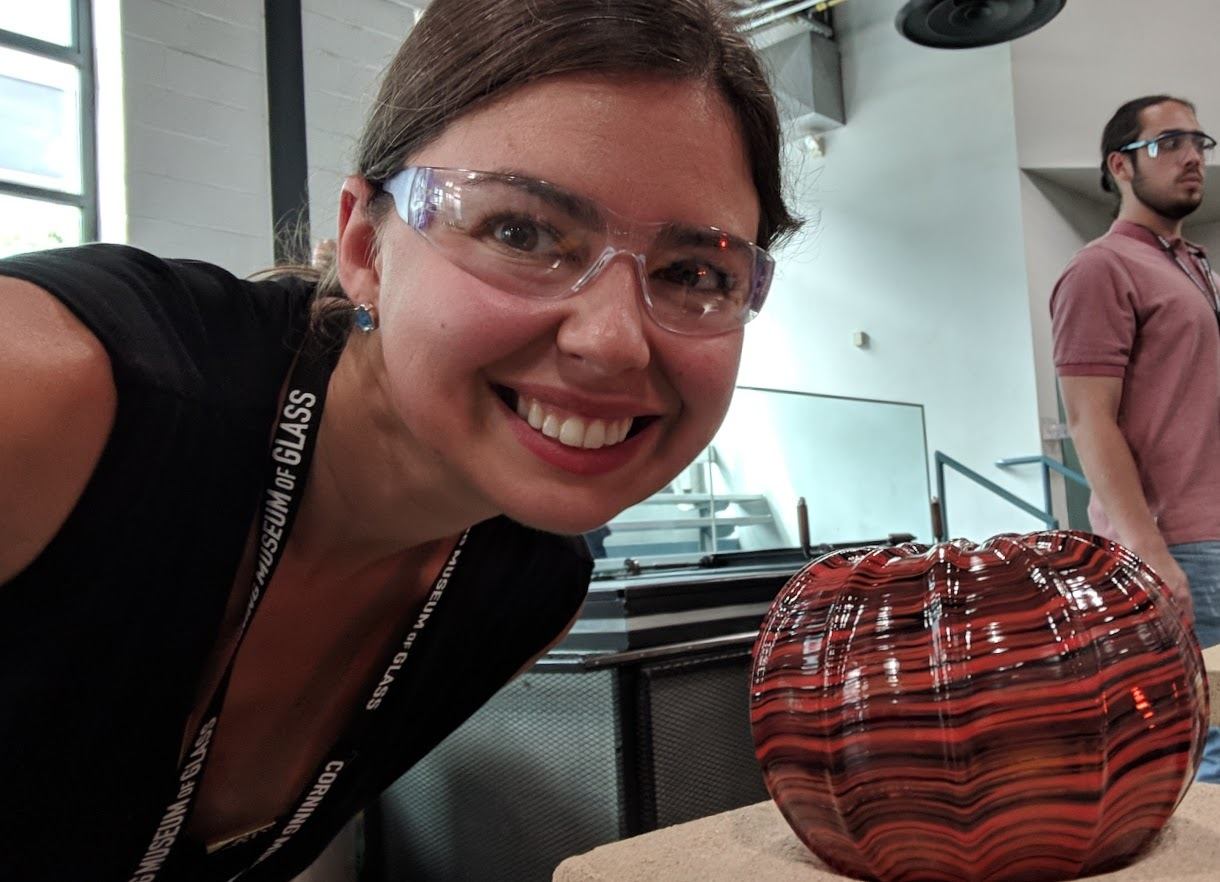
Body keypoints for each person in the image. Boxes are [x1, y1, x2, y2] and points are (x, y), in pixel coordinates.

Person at [0, 1, 799, 879]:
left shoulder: (527, 588)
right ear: (364, 244)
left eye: (695, 272)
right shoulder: (57, 392)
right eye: (520, 231)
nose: (610, 340)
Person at [1049, 94, 1220, 783]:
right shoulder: (1100, 268)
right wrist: (1150, 552)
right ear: (1121, 164)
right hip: (1178, 541)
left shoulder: (1191, 266)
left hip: (1213, 531)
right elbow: (1091, 421)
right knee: (1206, 742)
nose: (1192, 157)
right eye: (1169, 142)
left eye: (1198, 142)